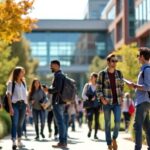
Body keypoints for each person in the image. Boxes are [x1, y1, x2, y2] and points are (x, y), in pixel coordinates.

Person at [96, 54, 124, 150]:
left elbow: (122, 87)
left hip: (117, 103)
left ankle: (114, 138)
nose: (115, 62)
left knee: (117, 122)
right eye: (113, 61)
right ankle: (109, 144)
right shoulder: (102, 74)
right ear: (108, 62)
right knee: (107, 124)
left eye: (116, 61)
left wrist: (122, 98)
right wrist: (102, 99)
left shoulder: (119, 73)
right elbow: (98, 89)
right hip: (107, 103)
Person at [126, 47, 150, 150]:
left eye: (138, 56)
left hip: (143, 101)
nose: (137, 58)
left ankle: (137, 148)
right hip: (143, 101)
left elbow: (148, 87)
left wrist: (134, 85)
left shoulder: (147, 70)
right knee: (146, 126)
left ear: (143, 57)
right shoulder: (145, 69)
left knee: (137, 126)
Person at [6, 66, 28, 149]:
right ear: (17, 73)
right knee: (15, 123)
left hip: (23, 105)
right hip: (14, 105)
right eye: (22, 72)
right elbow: (9, 96)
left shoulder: (24, 83)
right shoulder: (11, 83)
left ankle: (19, 140)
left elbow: (25, 95)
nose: (23, 73)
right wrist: (11, 108)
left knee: (20, 124)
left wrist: (28, 106)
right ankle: (14, 141)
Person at [48, 60, 67, 148]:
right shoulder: (60, 75)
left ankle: (62, 142)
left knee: (59, 122)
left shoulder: (58, 75)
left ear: (56, 65)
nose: (50, 67)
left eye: (52, 65)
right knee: (61, 122)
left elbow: (57, 89)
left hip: (57, 101)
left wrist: (48, 90)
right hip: (60, 101)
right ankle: (63, 141)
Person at [82, 72, 100, 139]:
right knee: (89, 118)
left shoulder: (99, 86)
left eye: (94, 77)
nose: (93, 78)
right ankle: (90, 130)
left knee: (96, 120)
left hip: (97, 105)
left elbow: (101, 96)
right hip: (89, 106)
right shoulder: (87, 85)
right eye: (92, 77)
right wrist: (89, 98)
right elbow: (83, 95)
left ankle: (95, 134)